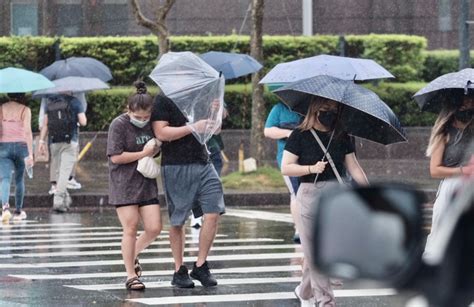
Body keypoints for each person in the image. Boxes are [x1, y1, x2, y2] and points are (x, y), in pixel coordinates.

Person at [281, 97, 369, 307]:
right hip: (310, 194)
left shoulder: (341, 135)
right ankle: (325, 301)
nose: (330, 113)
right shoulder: (299, 135)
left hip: (336, 197)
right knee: (315, 251)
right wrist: (310, 168)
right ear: (314, 110)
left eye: (334, 109)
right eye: (325, 109)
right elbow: (286, 167)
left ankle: (304, 290)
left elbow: (354, 166)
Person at [152, 94, 225, 288]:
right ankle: (179, 269)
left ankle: (201, 265)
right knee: (178, 220)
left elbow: (215, 130)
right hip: (176, 164)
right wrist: (193, 127)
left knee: (213, 211)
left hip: (203, 161)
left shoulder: (201, 96)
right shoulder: (163, 100)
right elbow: (161, 133)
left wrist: (215, 112)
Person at [107, 81, 162, 291]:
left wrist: (155, 147)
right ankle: (131, 275)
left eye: (146, 117)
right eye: (137, 117)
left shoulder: (153, 123)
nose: (142, 121)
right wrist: (144, 153)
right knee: (130, 227)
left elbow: (156, 145)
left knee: (154, 227)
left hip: (146, 182)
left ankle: (132, 253)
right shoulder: (118, 125)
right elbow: (116, 157)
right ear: (128, 110)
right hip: (123, 183)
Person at [423, 92, 474, 261]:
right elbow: (435, 170)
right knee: (442, 231)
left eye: (470, 103)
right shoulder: (444, 133)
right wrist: (463, 171)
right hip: (452, 187)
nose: (467, 106)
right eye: (463, 104)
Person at [38, 92, 87, 212]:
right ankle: (58, 201)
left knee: (59, 172)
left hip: (54, 141)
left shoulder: (50, 103)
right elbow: (83, 122)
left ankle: (65, 198)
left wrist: (41, 141)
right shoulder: (75, 102)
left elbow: (45, 125)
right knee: (65, 172)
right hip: (70, 141)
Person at [264, 101, 303, 243]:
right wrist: (288, 133)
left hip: (310, 157)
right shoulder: (279, 109)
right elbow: (268, 130)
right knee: (296, 193)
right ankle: (299, 229)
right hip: (288, 160)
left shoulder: (312, 106)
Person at [0, 93, 34, 222]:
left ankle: (5, 208)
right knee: (19, 179)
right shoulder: (25, 110)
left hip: (3, 147)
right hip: (21, 146)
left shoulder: (1, 108)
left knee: (5, 178)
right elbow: (27, 131)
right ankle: (18, 211)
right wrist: (30, 153)